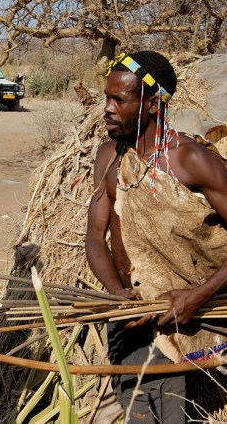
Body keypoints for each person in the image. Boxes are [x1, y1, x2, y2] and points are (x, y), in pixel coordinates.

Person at [85, 51, 227, 423]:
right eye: (106, 97)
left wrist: (196, 297)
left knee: (169, 412)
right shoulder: (109, 158)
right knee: (136, 412)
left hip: (186, 315)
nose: (107, 109)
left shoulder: (192, 160)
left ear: (150, 104)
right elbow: (95, 238)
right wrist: (118, 296)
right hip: (131, 314)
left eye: (119, 99)